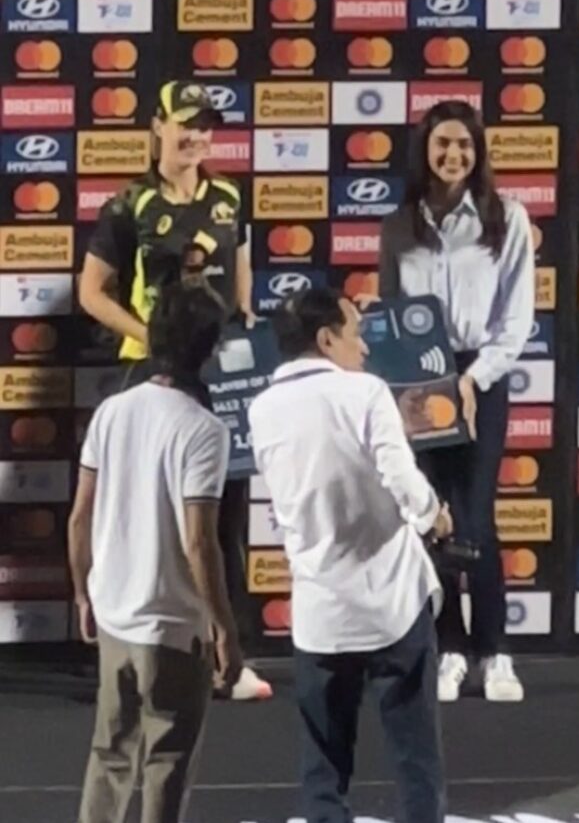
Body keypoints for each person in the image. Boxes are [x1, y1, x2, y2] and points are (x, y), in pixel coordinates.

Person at [78, 79, 270, 701]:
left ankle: (227, 659)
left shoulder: (227, 197)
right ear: (157, 126)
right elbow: (91, 292)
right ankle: (142, 652)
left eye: (206, 126)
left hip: (222, 371)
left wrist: (248, 330)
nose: (196, 136)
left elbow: (241, 279)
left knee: (225, 517)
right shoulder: (129, 204)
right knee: (155, 516)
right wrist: (152, 338)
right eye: (185, 123)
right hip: (151, 369)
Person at [248, 288, 452, 823]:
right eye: (357, 333)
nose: (364, 348)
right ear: (326, 339)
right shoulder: (365, 392)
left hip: (321, 614)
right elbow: (400, 477)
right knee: (416, 764)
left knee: (324, 772)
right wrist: (435, 514)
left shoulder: (262, 409)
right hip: (393, 606)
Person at [361, 101, 535, 703]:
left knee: (476, 515)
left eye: (463, 144)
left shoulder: (506, 218)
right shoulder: (398, 225)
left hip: (478, 380)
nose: (453, 155)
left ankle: (495, 650)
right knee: (430, 514)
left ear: (478, 151)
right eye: (442, 145)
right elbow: (385, 315)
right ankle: (450, 647)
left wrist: (475, 377)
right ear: (425, 151)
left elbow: (516, 321)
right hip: (416, 381)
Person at [68, 280, 243, 823]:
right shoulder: (206, 430)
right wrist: (225, 628)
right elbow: (199, 542)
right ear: (210, 351)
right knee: (167, 761)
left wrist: (81, 593)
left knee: (109, 754)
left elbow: (80, 517)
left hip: (116, 616)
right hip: (173, 628)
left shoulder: (112, 412)